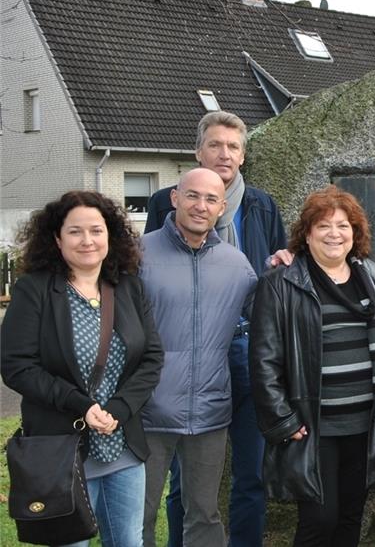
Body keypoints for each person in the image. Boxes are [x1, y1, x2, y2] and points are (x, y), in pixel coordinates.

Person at [145, 110, 286, 547]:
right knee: (181, 476)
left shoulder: (262, 206)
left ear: (243, 156)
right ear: (198, 151)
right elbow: (155, 276)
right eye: (215, 145)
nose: (224, 154)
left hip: (245, 347)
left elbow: (275, 276)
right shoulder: (161, 205)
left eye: (233, 147)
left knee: (250, 469)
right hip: (182, 351)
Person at [1, 191, 164, 547]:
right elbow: (17, 367)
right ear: (57, 238)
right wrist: (82, 405)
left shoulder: (129, 287)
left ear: (111, 236)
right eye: (75, 231)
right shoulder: (35, 290)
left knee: (129, 543)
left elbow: (152, 358)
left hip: (124, 448)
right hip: (60, 451)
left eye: (96, 230)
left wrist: (119, 410)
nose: (87, 240)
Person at [249, 185, 375, 547]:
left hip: (365, 424)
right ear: (307, 234)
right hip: (313, 425)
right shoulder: (280, 283)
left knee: (351, 515)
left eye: (343, 225)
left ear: (356, 233)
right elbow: (264, 359)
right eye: (323, 226)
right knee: (320, 519)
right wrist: (282, 420)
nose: (334, 234)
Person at [139, 168, 257, 547]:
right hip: (146, 411)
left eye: (210, 199)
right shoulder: (137, 256)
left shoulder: (236, 264)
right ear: (174, 198)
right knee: (139, 514)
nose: (200, 206)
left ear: (222, 207)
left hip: (209, 411)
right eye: (192, 196)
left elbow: (271, 320)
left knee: (204, 514)